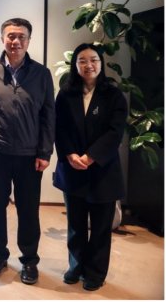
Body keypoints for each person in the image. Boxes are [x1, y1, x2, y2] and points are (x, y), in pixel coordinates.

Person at [0, 17, 55, 285]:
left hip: (29, 156)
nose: (16, 41)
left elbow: (49, 115)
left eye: (21, 36)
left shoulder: (42, 74)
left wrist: (45, 152)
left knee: (28, 210)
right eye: (11, 36)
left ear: (29, 40)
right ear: (2, 39)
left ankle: (29, 261)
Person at [54, 43, 127, 291]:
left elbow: (115, 132)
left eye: (94, 60)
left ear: (101, 63)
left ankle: (95, 272)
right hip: (72, 167)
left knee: (100, 227)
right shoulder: (66, 94)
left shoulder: (113, 95)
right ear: (75, 65)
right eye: (82, 60)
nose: (89, 65)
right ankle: (75, 266)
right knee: (75, 225)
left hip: (103, 170)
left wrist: (91, 156)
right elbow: (59, 128)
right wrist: (71, 154)